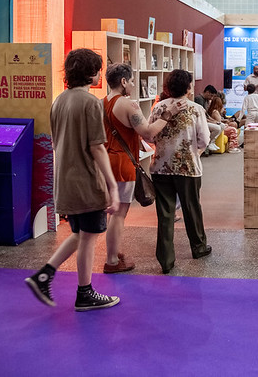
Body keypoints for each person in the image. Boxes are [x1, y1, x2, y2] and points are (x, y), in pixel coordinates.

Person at [25, 48, 120, 312]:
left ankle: (44, 275)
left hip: (65, 180)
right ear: (92, 72)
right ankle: (84, 293)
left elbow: (56, 142)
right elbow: (97, 147)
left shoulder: (59, 100)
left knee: (80, 233)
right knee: (89, 237)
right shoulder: (91, 103)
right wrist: (112, 186)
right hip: (86, 181)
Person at [149, 69, 212, 274]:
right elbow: (204, 139)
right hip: (188, 167)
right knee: (191, 208)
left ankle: (166, 259)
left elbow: (149, 136)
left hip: (160, 167)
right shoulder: (196, 109)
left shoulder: (159, 107)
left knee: (165, 213)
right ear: (188, 87)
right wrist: (195, 151)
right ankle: (199, 247)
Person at [101, 63, 160, 274]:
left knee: (114, 211)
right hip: (123, 163)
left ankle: (114, 252)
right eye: (132, 81)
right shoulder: (128, 105)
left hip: (106, 161)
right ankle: (111, 260)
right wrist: (165, 117)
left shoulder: (101, 103)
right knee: (118, 214)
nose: (134, 85)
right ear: (124, 81)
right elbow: (148, 133)